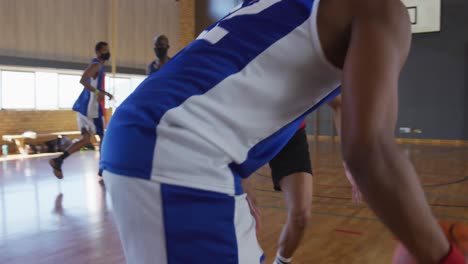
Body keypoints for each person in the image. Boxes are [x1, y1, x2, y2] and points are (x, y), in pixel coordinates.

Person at [100, 0, 464, 263]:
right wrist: (441, 254)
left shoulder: (279, 9)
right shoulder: (380, 9)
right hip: (176, 148)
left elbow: (212, 88)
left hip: (170, 142)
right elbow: (370, 149)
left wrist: (237, 184)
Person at [262, 95, 363, 264]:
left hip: (290, 134)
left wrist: (349, 160)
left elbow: (340, 104)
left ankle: (281, 261)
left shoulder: (306, 70)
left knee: (300, 216)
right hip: (244, 132)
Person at [50, 41, 113, 180]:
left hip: (84, 108)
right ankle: (102, 169)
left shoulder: (99, 66)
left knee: (85, 140)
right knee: (103, 137)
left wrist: (105, 94)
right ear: (98, 52)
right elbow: (83, 80)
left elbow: (91, 85)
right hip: (92, 110)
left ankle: (58, 160)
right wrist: (98, 92)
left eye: (108, 50)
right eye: (104, 50)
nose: (107, 52)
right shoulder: (96, 65)